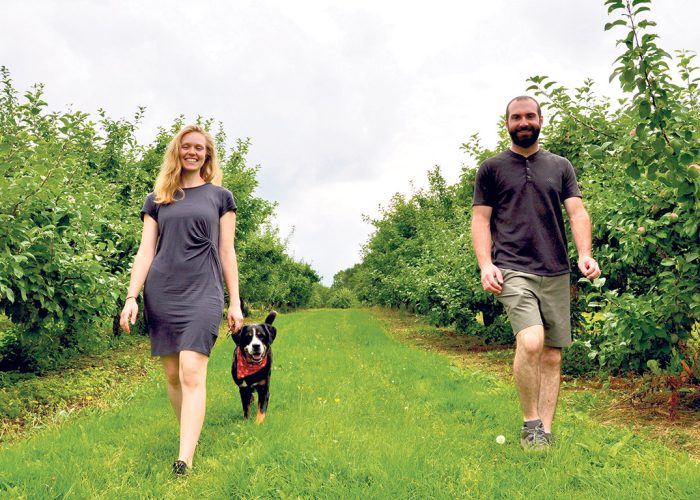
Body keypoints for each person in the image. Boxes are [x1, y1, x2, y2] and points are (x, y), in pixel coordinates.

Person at [471, 96, 600, 449]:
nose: (523, 122)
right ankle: (530, 424)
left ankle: (545, 430)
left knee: (552, 354)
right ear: (507, 123)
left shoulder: (560, 166)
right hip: (513, 267)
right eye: (516, 117)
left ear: (541, 120)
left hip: (556, 269)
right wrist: (486, 264)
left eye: (530, 116)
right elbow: (480, 220)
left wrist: (585, 254)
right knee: (531, 340)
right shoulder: (492, 168)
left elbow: (577, 212)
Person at [119, 124, 244, 475]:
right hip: (162, 289)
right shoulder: (158, 199)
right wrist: (132, 296)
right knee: (173, 374)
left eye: (199, 148)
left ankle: (184, 460)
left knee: (192, 371)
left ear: (207, 155)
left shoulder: (221, 197)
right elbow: (145, 252)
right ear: (177, 151)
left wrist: (234, 301)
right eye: (186, 146)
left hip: (203, 290)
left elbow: (227, 251)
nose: (192, 152)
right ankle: (189, 434)